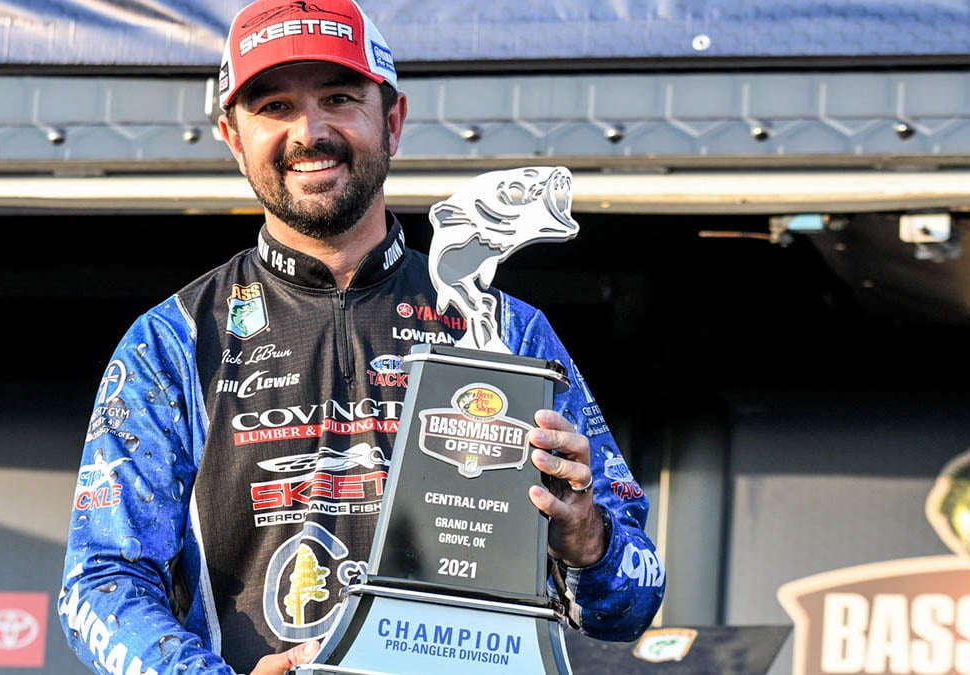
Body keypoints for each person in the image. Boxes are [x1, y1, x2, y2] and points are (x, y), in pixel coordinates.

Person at [57, 0, 665, 673]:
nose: (309, 131)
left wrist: (583, 536)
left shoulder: (509, 331)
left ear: (393, 120)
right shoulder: (170, 344)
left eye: (338, 97)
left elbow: (632, 605)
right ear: (233, 137)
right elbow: (100, 582)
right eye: (274, 107)